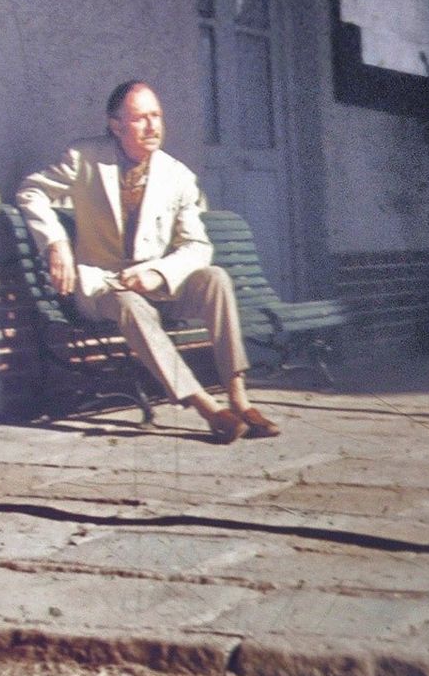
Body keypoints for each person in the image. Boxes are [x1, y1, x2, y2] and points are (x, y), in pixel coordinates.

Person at [16, 80, 280, 443]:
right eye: (140, 118)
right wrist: (56, 242)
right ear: (115, 125)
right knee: (129, 304)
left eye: (156, 115)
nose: (153, 126)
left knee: (215, 277)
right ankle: (206, 407)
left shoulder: (177, 175)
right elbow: (31, 190)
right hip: (104, 288)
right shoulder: (85, 158)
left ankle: (238, 397)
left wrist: (157, 272)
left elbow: (197, 245)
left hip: (158, 286)